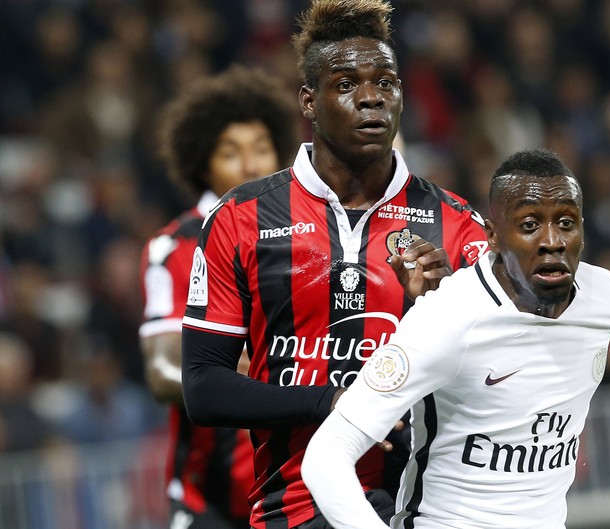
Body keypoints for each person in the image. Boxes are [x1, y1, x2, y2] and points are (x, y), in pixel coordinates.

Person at [180, 1, 488, 528]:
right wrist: (334, 402)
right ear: (309, 100)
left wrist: (434, 311)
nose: (370, 98)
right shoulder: (239, 219)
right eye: (346, 83)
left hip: (428, 507)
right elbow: (203, 386)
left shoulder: (458, 225)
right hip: (294, 508)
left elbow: (501, 378)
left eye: (386, 83)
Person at [301, 148, 610, 529]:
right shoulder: (449, 318)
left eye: (567, 223)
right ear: (492, 236)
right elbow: (326, 456)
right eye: (529, 225)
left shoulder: (606, 299)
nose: (552, 241)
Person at [139, 65, 298, 529]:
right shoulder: (176, 247)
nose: (250, 166)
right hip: (209, 500)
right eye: (230, 152)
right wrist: (226, 370)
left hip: (295, 488)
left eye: (262, 149)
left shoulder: (314, 238)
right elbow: (161, 370)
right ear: (202, 161)